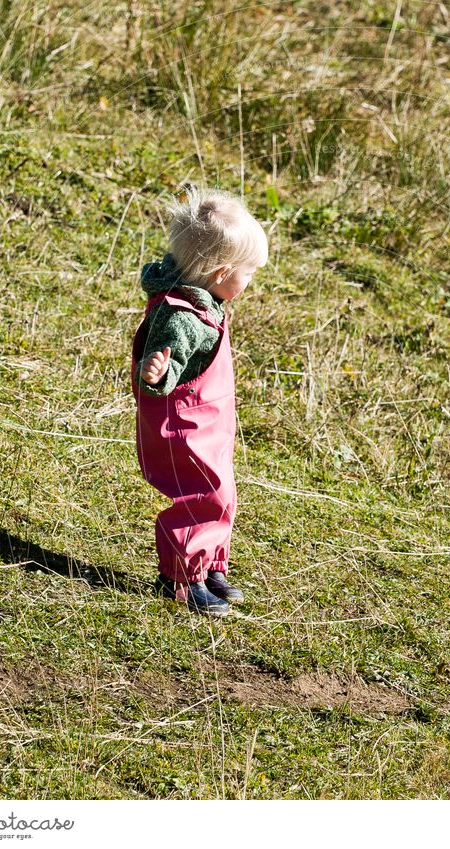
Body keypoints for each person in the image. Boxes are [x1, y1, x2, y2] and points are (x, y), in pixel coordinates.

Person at [130, 183, 268, 616]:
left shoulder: (203, 300)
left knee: (222, 493)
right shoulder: (181, 318)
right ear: (222, 273)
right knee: (204, 496)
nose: (251, 281)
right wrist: (156, 373)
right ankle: (181, 578)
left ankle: (210, 566)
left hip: (208, 424)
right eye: (250, 273)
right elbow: (161, 365)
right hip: (184, 428)